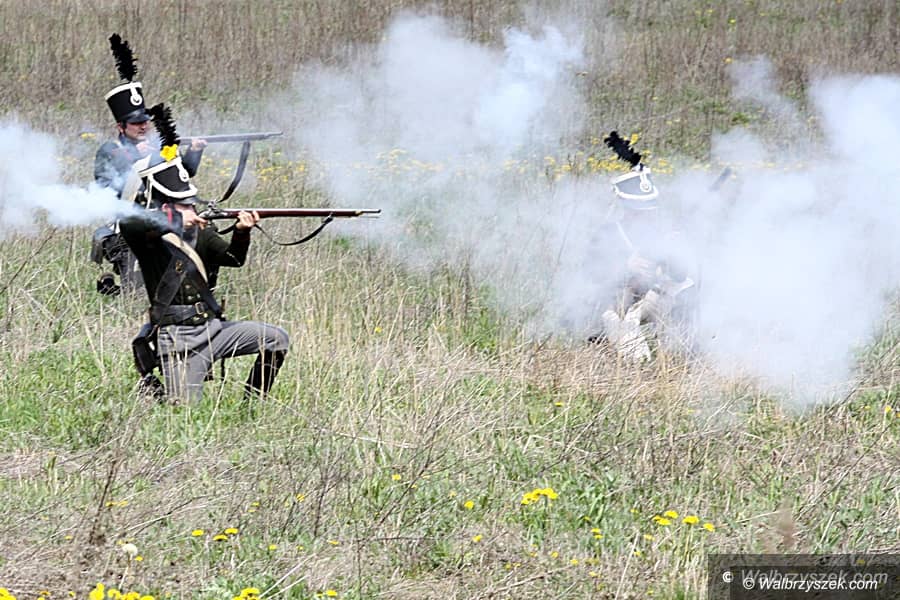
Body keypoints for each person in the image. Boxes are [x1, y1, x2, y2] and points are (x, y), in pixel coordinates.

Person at [119, 103, 289, 403]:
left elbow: (234, 260)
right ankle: (156, 392)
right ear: (165, 207)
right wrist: (174, 220)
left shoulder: (201, 231)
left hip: (212, 328)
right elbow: (130, 222)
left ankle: (252, 404)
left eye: (190, 203)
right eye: (182, 204)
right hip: (177, 338)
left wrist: (242, 231)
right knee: (184, 411)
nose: (191, 208)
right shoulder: (147, 237)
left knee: (276, 339)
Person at [91, 33, 206, 295]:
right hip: (128, 225)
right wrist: (136, 157)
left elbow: (182, 176)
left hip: (165, 220)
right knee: (137, 291)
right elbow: (108, 187)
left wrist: (194, 151)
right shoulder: (111, 150)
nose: (143, 126)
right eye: (136, 123)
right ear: (121, 126)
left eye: (145, 121)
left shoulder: (157, 146)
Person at [588, 135, 696, 360]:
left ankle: (682, 352)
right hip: (617, 304)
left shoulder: (659, 233)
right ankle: (632, 360)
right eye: (639, 211)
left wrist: (676, 252)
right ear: (626, 208)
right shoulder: (607, 234)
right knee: (628, 338)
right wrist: (626, 268)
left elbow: (679, 277)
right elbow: (592, 278)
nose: (647, 216)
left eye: (649, 210)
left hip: (649, 300)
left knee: (685, 289)